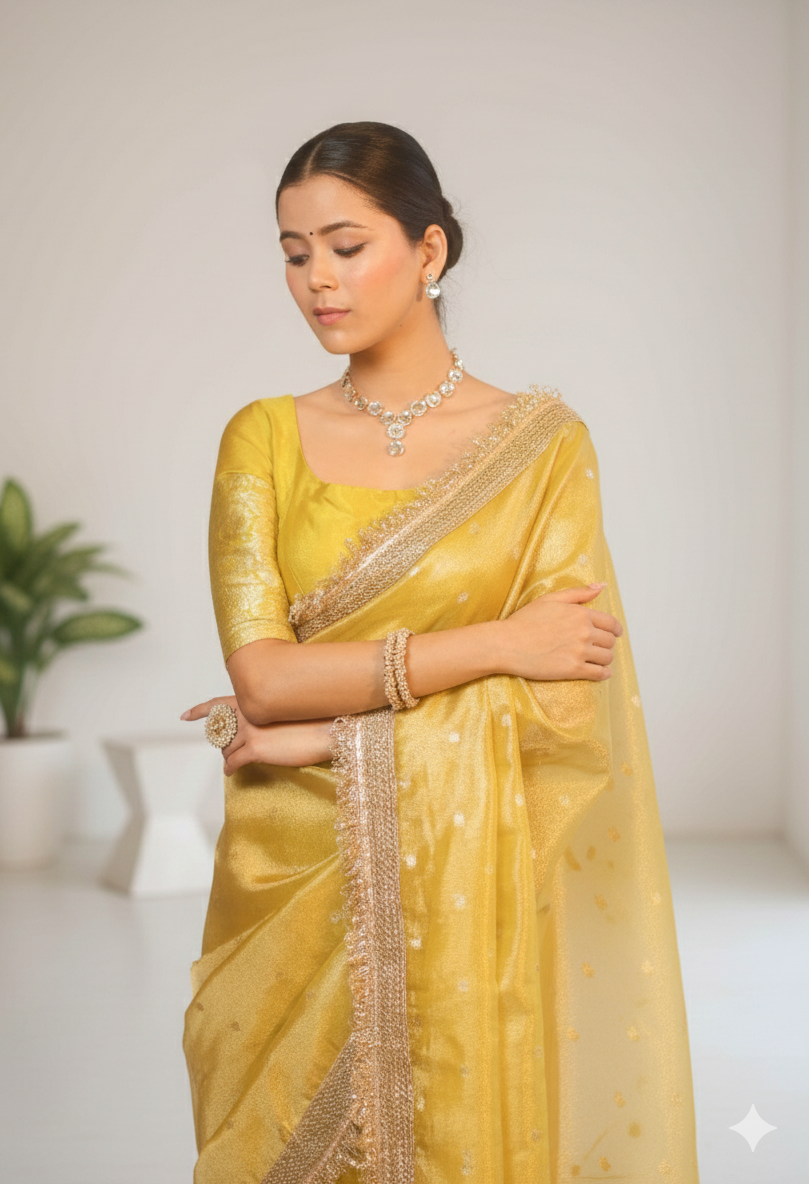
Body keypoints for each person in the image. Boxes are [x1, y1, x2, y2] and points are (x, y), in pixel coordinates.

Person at [180, 121, 700, 1184]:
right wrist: (500, 642)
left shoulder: (543, 447)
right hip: (287, 875)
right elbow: (262, 675)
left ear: (429, 252)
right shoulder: (262, 438)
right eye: (293, 252)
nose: (316, 279)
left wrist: (318, 735)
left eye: (344, 244)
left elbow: (564, 705)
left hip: (469, 897)